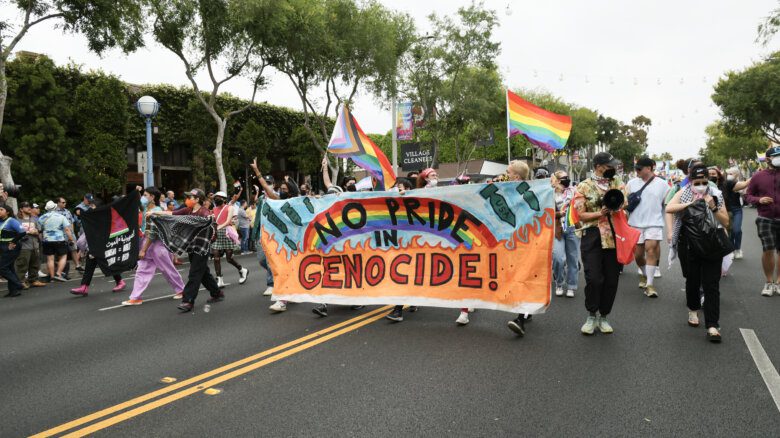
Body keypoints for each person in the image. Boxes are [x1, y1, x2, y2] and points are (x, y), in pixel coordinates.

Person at [666, 164, 728, 342]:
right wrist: (690, 203)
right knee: (692, 280)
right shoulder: (683, 191)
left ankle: (713, 325)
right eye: (697, 182)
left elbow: (726, 222)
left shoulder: (716, 194)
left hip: (711, 244)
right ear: (691, 181)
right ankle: (693, 310)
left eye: (704, 181)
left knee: (711, 285)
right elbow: (669, 208)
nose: (701, 185)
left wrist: (713, 207)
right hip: (689, 244)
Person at [573, 152, 625, 335]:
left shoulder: (617, 183)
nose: (613, 168)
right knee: (594, 278)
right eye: (609, 165)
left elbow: (624, 203)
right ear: (599, 166)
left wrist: (617, 206)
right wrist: (599, 213)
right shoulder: (584, 186)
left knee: (611, 279)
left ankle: (604, 316)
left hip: (614, 236)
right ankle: (591, 314)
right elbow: (581, 215)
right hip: (593, 235)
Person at [151, 188, 223, 312]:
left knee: (194, 274)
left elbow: (210, 223)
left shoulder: (204, 213)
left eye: (191, 197)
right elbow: (172, 214)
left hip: (201, 248)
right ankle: (216, 293)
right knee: (203, 272)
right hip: (191, 246)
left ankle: (188, 301)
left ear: (197, 199)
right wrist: (155, 214)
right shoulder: (188, 210)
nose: (188, 199)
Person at [385, 167, 442, 323]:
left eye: (400, 188)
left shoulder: (425, 194)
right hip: (406, 243)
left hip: (423, 242)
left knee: (412, 274)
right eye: (432, 175)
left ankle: (402, 307)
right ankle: (399, 309)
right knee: (405, 274)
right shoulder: (403, 198)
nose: (435, 177)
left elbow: (432, 189)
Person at [121, 187, 185, 306]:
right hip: (148, 242)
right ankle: (135, 297)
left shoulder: (156, 211)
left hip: (158, 245)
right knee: (142, 270)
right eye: (143, 195)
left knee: (167, 269)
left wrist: (143, 249)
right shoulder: (146, 209)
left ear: (152, 197)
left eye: (145, 195)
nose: (143, 198)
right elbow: (135, 204)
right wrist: (136, 192)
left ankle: (182, 290)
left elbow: (153, 233)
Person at [626, 157, 669, 298]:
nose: (636, 171)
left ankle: (650, 285)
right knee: (638, 255)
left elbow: (668, 204)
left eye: (639, 168)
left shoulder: (663, 185)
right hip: (635, 224)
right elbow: (624, 203)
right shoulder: (631, 183)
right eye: (635, 169)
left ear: (649, 169)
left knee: (651, 250)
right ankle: (644, 275)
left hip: (654, 223)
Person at [745, 146, 780, 296]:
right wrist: (759, 199)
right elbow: (748, 196)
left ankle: (778, 282)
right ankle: (769, 281)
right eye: (777, 155)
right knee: (768, 250)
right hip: (765, 218)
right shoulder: (758, 177)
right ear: (768, 159)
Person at [504, 160, 533, 335]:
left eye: (508, 172)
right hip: (509, 242)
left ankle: (520, 318)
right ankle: (526, 309)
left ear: (516, 176)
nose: (506, 175)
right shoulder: (505, 191)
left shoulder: (531, 192)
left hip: (527, 241)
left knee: (523, 276)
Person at [211, 191, 248, 287]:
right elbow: (213, 221)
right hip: (217, 234)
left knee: (229, 258)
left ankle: (242, 270)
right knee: (216, 256)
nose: (216, 199)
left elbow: (228, 221)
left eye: (218, 197)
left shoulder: (229, 208)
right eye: (215, 198)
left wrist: (219, 227)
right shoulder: (214, 209)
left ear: (223, 199)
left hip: (227, 233)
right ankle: (219, 279)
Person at [551, 170, 579, 298]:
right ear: (556, 180)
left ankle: (571, 286)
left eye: (567, 177)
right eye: (563, 178)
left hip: (571, 228)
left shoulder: (573, 191)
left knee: (572, 259)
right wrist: (558, 214)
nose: (566, 180)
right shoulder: (550, 194)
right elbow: (545, 212)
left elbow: (579, 206)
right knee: (558, 258)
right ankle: (559, 283)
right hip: (558, 230)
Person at [39, 200, 75, 282]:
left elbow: (39, 230)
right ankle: (58, 273)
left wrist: (42, 239)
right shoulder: (61, 217)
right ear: (55, 207)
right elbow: (67, 229)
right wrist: (71, 239)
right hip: (59, 239)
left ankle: (52, 277)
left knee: (50, 259)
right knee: (63, 256)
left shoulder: (42, 218)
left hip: (47, 240)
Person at [15, 202, 45, 289]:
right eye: (26, 206)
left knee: (35, 264)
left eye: (29, 206)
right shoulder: (17, 220)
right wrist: (26, 232)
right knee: (22, 265)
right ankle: (21, 282)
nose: (29, 208)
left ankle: (34, 280)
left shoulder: (34, 219)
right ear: (21, 209)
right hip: (23, 246)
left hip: (35, 245)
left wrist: (36, 231)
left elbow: (39, 230)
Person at [0, 204, 26, 297]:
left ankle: (18, 284)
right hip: (3, 247)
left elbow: (22, 232)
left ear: (7, 212)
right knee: (10, 268)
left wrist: (13, 242)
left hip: (12, 247)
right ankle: (13, 291)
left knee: (2, 268)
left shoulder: (12, 221)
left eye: (1, 209)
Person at [724, 167, 749, 260]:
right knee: (730, 231)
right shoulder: (726, 183)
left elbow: (745, 193)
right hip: (727, 209)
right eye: (729, 173)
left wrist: (743, 192)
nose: (729, 175)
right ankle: (731, 249)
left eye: (732, 173)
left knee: (737, 230)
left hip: (737, 209)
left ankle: (737, 249)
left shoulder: (739, 183)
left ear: (737, 174)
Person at [55, 197, 81, 275]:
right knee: (63, 252)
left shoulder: (67, 211)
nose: (64, 204)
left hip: (70, 233)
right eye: (63, 202)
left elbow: (71, 221)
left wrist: (72, 232)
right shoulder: (55, 212)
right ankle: (63, 271)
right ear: (58, 203)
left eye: (65, 202)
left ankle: (77, 265)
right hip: (61, 235)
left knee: (74, 249)